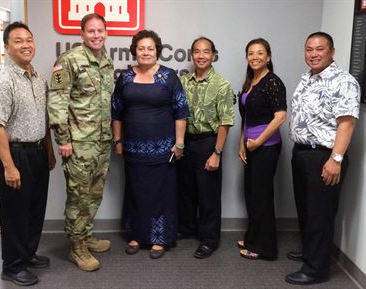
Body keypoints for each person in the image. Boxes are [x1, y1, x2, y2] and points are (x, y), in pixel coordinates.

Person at [0, 22, 56, 286]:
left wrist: (48, 151)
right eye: (18, 41)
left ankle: (27, 254)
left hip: (37, 152)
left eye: (29, 39)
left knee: (35, 210)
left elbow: (43, 120)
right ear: (7, 47)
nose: (26, 45)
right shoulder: (2, 81)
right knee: (15, 213)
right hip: (14, 154)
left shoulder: (38, 79)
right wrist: (9, 167)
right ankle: (12, 266)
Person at [286, 32, 360, 285]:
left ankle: (316, 269)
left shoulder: (343, 81)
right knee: (307, 210)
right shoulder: (308, 78)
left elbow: (347, 123)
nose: (313, 54)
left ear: (332, 52)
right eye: (309, 49)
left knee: (320, 214)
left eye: (319, 49)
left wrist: (336, 159)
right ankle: (310, 252)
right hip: (303, 153)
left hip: (325, 156)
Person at [111, 30, 189, 259]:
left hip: (163, 149)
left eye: (150, 48)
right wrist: (117, 140)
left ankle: (159, 238)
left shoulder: (169, 76)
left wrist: (180, 144)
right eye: (141, 48)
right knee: (136, 192)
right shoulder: (125, 77)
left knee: (160, 194)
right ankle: (137, 235)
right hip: (133, 149)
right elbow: (116, 110)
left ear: (157, 51)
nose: (145, 52)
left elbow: (181, 111)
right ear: (135, 50)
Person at [47, 13, 114, 272]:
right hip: (78, 143)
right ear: (82, 34)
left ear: (105, 32)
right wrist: (63, 139)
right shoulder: (69, 60)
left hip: (102, 140)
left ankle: (86, 236)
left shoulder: (105, 61)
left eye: (100, 30)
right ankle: (76, 247)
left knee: (94, 193)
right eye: (91, 31)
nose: (96, 35)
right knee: (78, 196)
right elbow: (57, 101)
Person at [178, 37, 235, 259]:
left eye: (206, 52)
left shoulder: (222, 85)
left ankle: (209, 239)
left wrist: (217, 153)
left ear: (213, 55)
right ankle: (188, 228)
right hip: (186, 141)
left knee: (208, 194)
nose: (201, 56)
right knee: (186, 190)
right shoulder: (184, 81)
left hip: (208, 143)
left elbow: (225, 122)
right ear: (192, 55)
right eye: (197, 52)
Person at [237, 38, 287, 260]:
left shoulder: (273, 82)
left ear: (268, 57)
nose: (255, 57)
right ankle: (252, 238)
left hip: (266, 147)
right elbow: (246, 117)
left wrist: (258, 142)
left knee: (262, 196)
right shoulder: (251, 81)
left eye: (260, 53)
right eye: (251, 53)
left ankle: (265, 248)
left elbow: (280, 116)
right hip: (250, 146)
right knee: (251, 194)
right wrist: (242, 143)